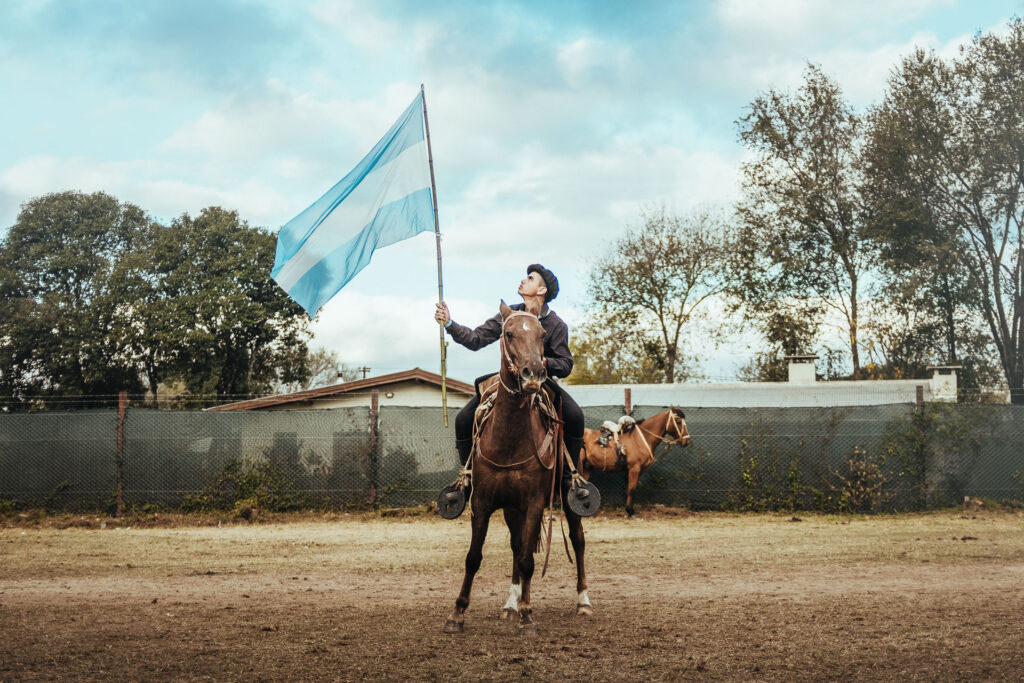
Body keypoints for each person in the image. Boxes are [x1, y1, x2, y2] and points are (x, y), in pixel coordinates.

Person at [435, 264, 584, 501]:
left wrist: (542, 363)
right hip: (507, 382)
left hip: (540, 381)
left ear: (542, 289)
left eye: (530, 278)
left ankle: (569, 480)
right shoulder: (509, 316)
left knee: (576, 416)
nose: (523, 281)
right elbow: (476, 339)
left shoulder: (556, 325)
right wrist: (450, 324)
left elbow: (565, 364)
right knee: (463, 418)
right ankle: (467, 477)